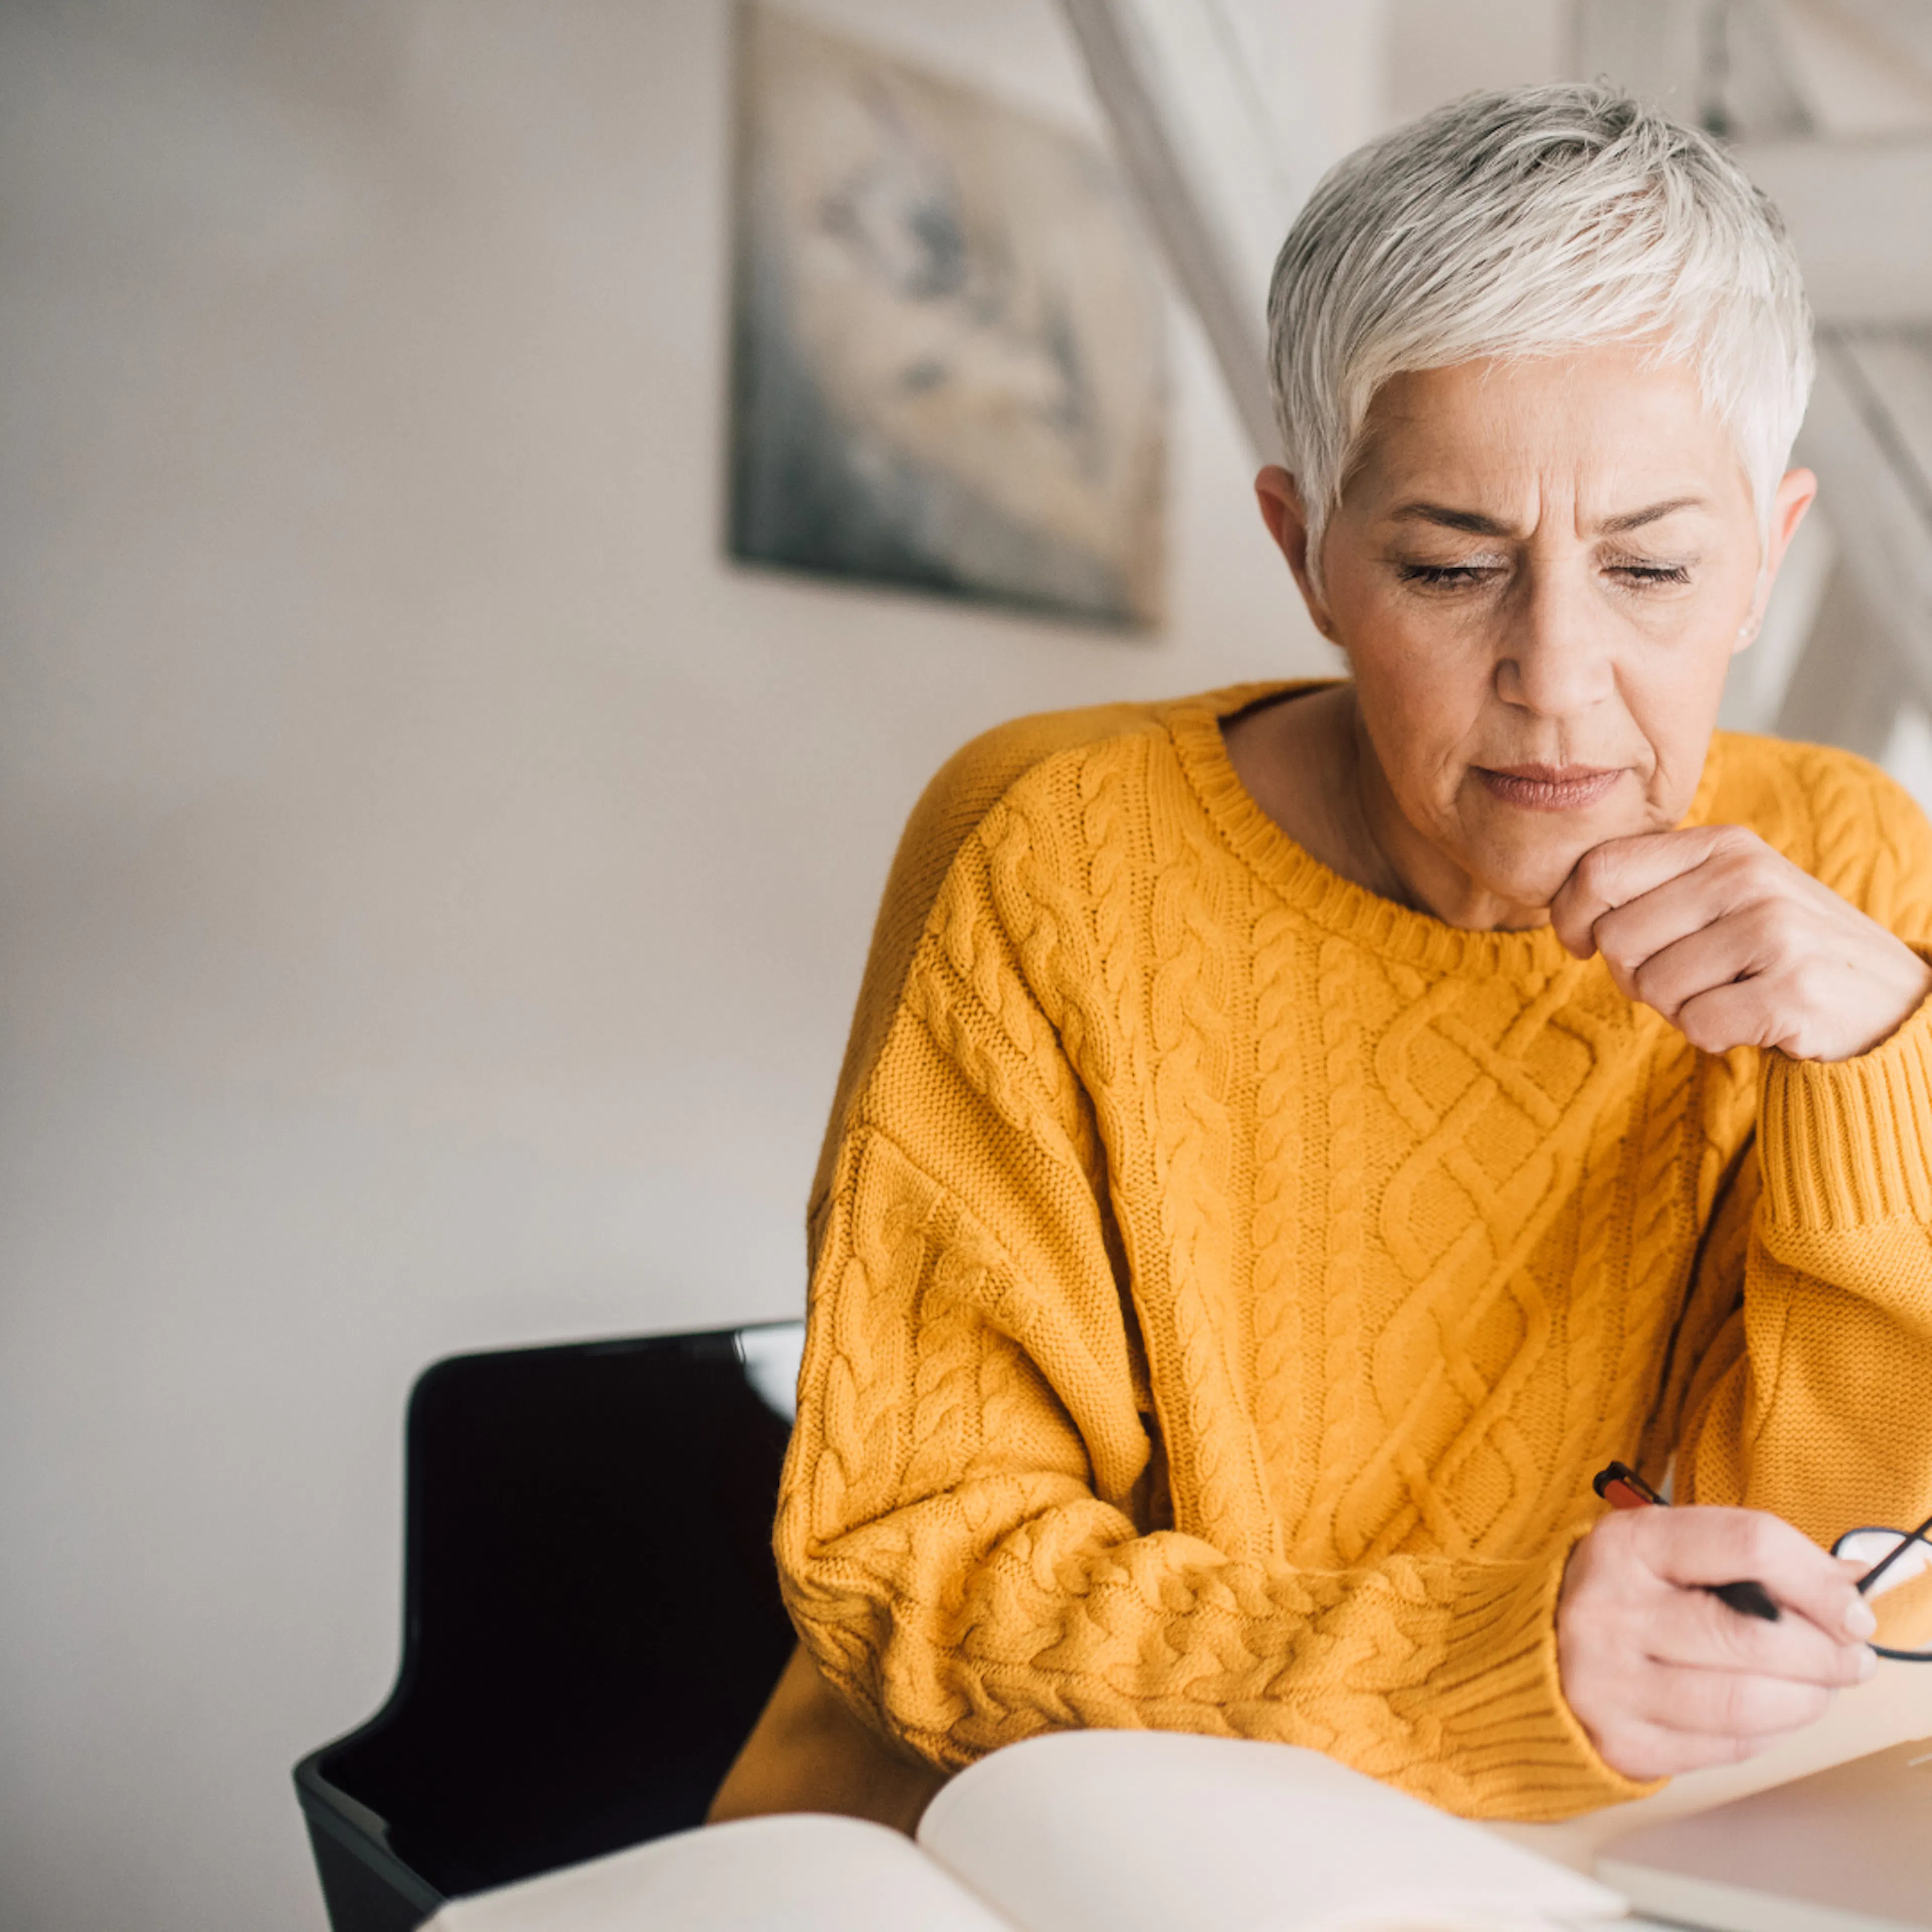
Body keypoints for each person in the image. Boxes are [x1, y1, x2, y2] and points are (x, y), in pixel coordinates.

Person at [709, 82, 1932, 1830]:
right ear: (1308, 554)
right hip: (1025, 1840)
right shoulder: (1052, 856)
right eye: (1451, 568)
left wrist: (1894, 1084)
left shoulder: (1859, 866)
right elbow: (907, 1560)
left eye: (1653, 567)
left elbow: (1829, 1569)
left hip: (1591, 1847)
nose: (1560, 673)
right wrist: (1466, 1662)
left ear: (1767, 559)